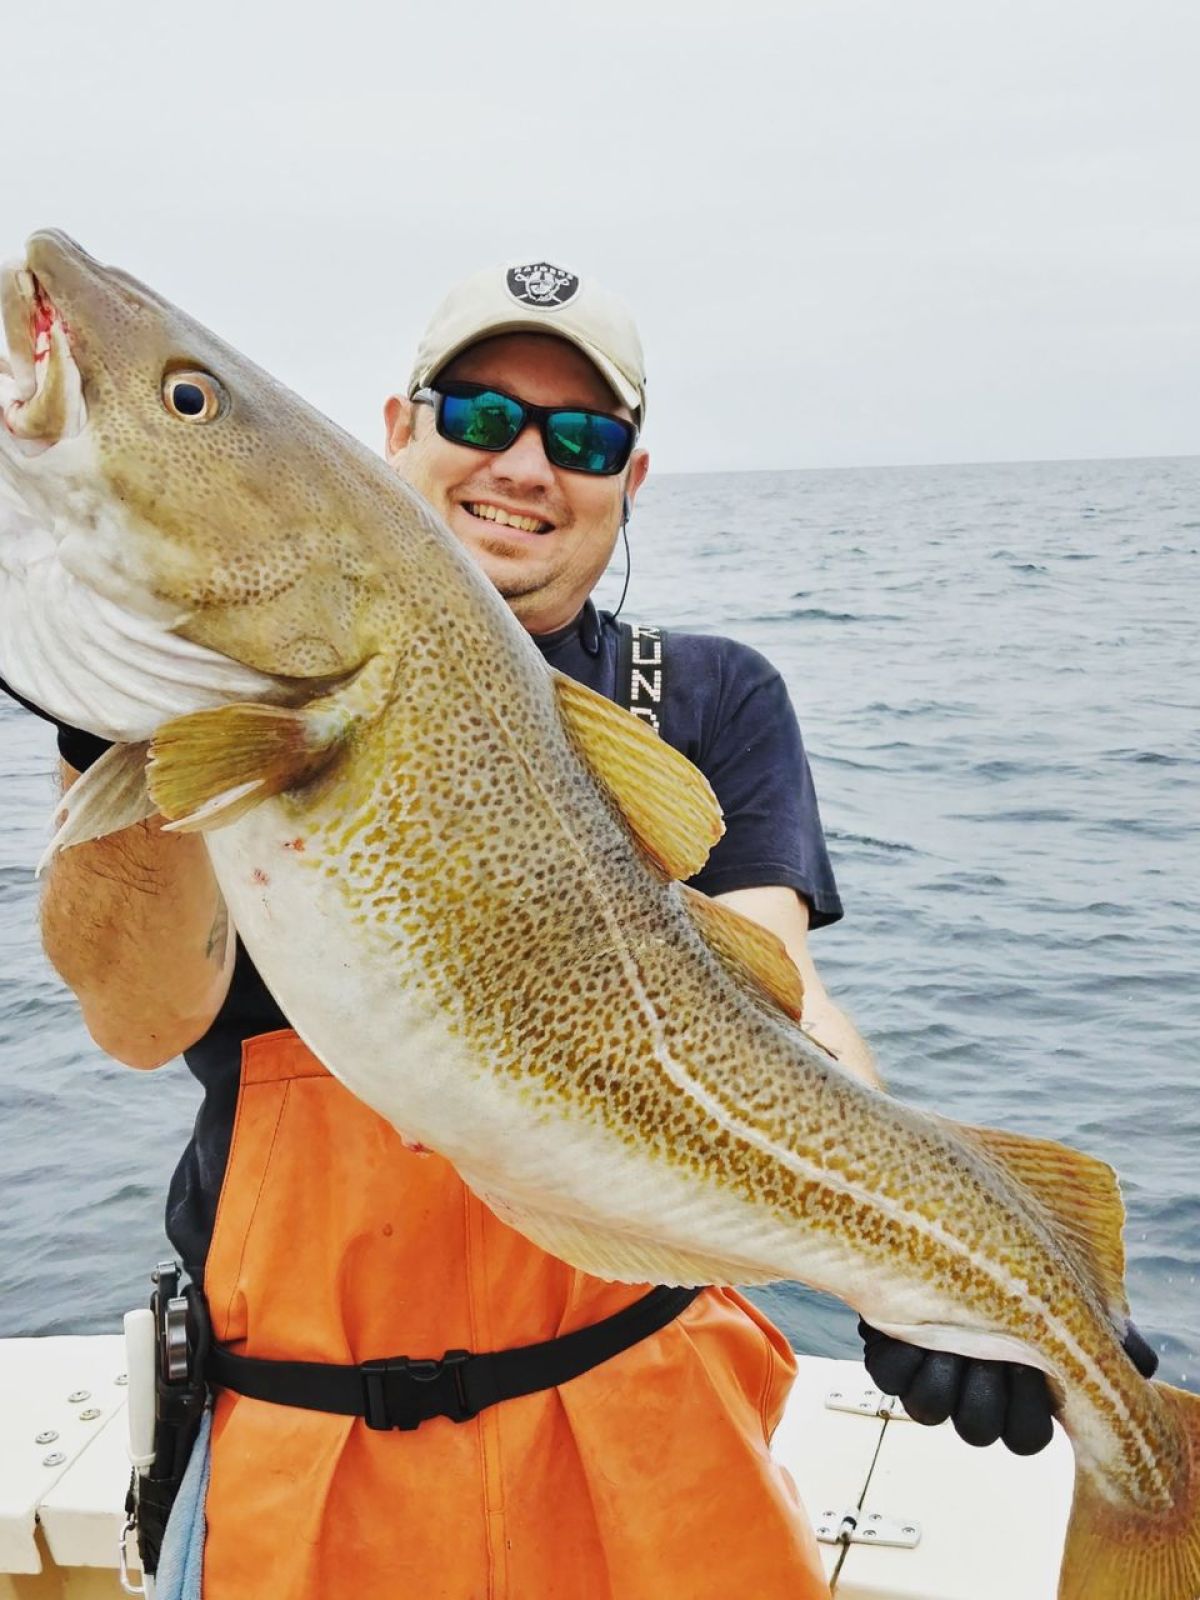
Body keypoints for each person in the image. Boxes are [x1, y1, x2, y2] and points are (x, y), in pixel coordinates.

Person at [24, 259, 1068, 1600]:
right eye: (476, 414)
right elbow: (138, 1014)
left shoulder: (709, 694)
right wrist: (107, 726)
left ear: (629, 481)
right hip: (310, 1457)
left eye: (582, 436)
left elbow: (784, 1003)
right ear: (392, 431)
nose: (524, 462)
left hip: (647, 1431)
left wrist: (937, 1258)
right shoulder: (198, 707)